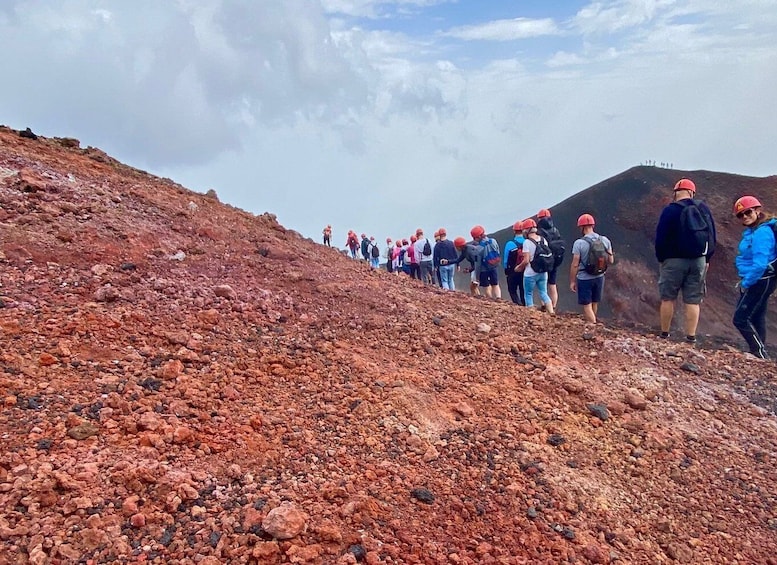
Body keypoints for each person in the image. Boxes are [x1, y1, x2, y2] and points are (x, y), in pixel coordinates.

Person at [654, 178, 717, 342]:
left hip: (673, 261)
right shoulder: (702, 208)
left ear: (676, 192)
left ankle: (665, 334)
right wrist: (707, 258)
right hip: (698, 260)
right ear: (692, 192)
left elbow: (660, 237)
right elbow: (712, 235)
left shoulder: (670, 210)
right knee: (693, 300)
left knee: (668, 298)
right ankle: (691, 337)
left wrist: (662, 259)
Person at [732, 196, 777, 359]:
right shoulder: (755, 231)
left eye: (748, 212)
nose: (745, 216)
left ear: (757, 210)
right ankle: (760, 353)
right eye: (740, 215)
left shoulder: (761, 233)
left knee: (740, 318)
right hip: (765, 279)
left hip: (760, 279)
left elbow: (760, 264)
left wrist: (746, 282)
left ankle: (758, 351)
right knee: (757, 315)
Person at [569, 214, 614, 323]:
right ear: (593, 225)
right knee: (595, 302)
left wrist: (572, 281)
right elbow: (611, 261)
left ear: (581, 227)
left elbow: (575, 264)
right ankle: (592, 323)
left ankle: (593, 326)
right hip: (599, 276)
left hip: (585, 278)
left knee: (587, 305)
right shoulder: (604, 240)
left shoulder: (579, 243)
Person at [518, 219, 554, 314]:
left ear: (526, 230)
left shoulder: (527, 242)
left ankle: (531, 314)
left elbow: (526, 260)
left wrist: (519, 267)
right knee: (543, 292)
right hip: (543, 272)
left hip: (530, 273)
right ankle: (551, 312)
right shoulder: (543, 240)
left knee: (528, 294)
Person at [537, 209, 566, 310]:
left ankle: (545, 306)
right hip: (556, 260)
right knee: (552, 284)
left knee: (542, 284)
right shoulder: (555, 229)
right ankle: (553, 306)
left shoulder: (539, 231)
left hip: (545, 260)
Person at [470, 225, 501, 299]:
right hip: (493, 266)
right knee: (495, 284)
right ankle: (498, 298)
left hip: (484, 269)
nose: (474, 240)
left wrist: (477, 276)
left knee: (486, 286)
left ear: (478, 237)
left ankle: (490, 299)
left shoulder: (479, 248)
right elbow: (498, 251)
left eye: (474, 238)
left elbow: (478, 263)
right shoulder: (493, 241)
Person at [503, 220, 526, 305]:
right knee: (523, 289)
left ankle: (518, 304)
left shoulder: (510, 244)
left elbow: (506, 259)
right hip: (525, 270)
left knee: (512, 290)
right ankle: (524, 305)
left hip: (513, 271)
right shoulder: (528, 242)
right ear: (523, 230)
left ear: (514, 231)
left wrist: (506, 270)